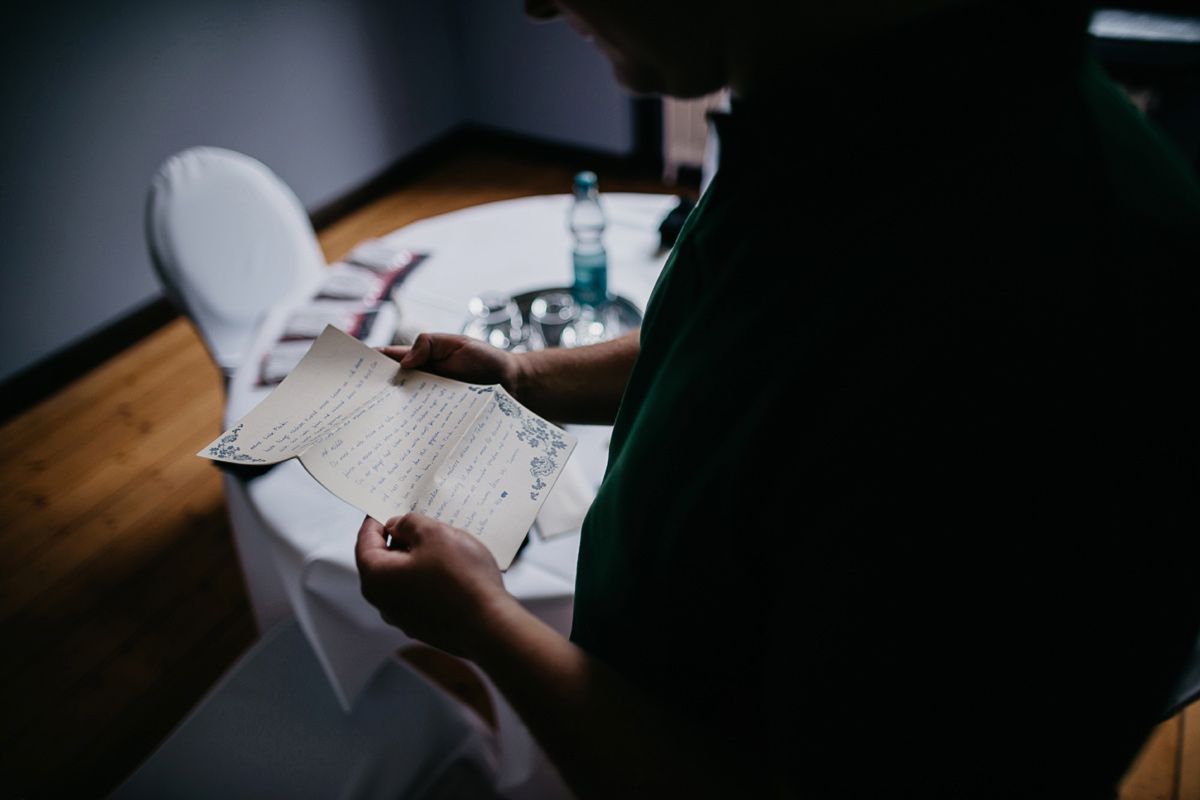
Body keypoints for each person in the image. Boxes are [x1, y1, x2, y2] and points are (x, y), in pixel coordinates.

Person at [356, 1, 1200, 796]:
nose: (537, 5)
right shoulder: (838, 128)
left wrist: (486, 626)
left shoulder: (1043, 315)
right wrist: (524, 378)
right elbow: (728, 341)